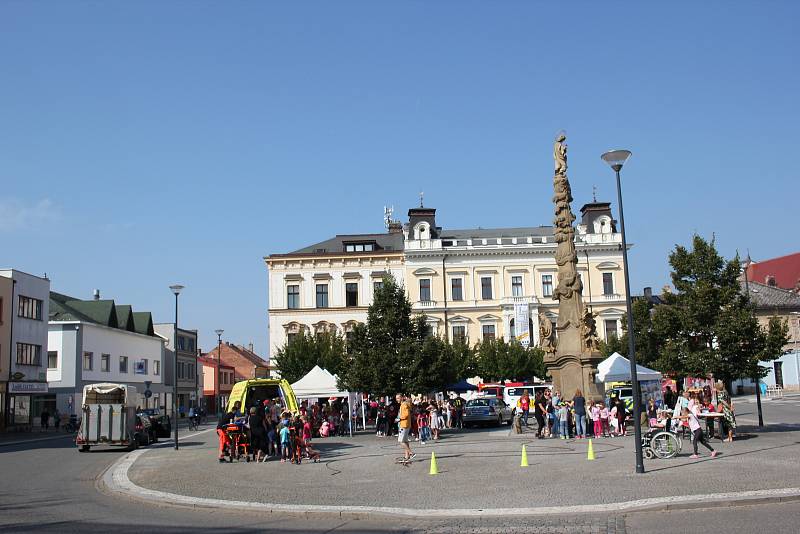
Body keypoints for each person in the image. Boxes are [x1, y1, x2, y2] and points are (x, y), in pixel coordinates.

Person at [396, 394, 415, 462]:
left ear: (402, 398)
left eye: (398, 398)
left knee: (401, 441)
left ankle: (411, 453)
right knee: (405, 441)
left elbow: (406, 415)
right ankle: (407, 456)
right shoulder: (404, 404)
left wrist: (399, 419)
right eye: (396, 398)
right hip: (406, 424)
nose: (397, 399)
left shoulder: (404, 404)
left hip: (404, 425)